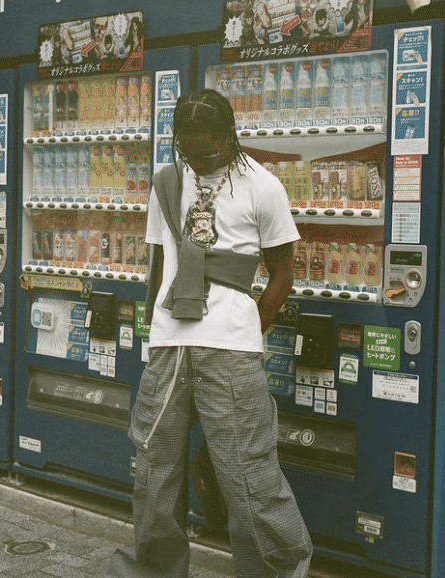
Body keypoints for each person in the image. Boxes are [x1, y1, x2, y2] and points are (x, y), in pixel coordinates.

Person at [111, 88, 312, 578]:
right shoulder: (165, 183)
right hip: (169, 347)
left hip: (231, 352)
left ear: (229, 136)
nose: (198, 161)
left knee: (250, 477)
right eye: (188, 151)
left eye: (209, 151)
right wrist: (155, 328)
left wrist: (248, 327)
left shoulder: (262, 186)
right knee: (155, 472)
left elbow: (283, 273)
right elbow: (159, 264)